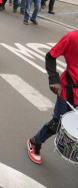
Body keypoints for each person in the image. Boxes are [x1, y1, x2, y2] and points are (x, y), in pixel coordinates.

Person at [27, 30, 78, 164]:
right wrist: (54, 79)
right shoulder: (72, 37)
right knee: (58, 124)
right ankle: (35, 142)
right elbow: (51, 56)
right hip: (69, 93)